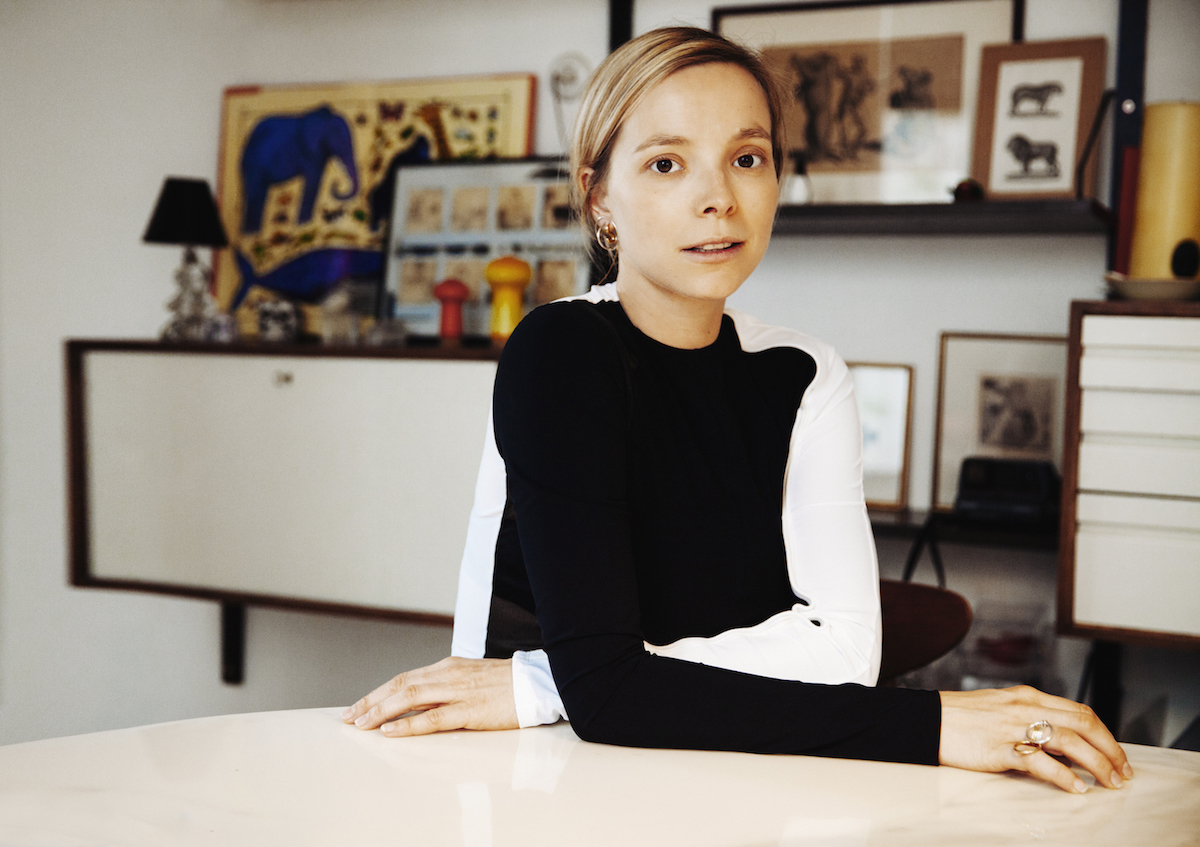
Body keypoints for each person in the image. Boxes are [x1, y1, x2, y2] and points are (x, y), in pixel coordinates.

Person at [343, 26, 1131, 794]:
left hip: (737, 771)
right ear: (599, 196)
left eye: (746, 159)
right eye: (665, 164)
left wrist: (545, 681)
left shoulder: (806, 373)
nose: (717, 198)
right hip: (537, 776)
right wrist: (932, 725)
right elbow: (608, 698)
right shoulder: (561, 351)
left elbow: (845, 654)